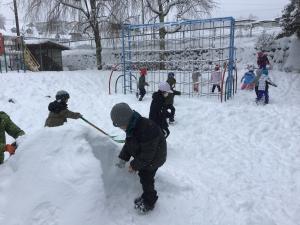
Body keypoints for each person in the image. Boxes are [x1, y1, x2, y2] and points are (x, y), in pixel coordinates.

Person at [111, 103, 167, 213]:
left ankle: (149, 201)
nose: (121, 128)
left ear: (125, 121)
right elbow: (129, 144)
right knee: (144, 172)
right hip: (146, 155)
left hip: (155, 158)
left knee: (146, 176)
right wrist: (123, 158)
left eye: (120, 125)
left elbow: (147, 155)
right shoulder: (132, 126)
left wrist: (134, 165)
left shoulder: (146, 129)